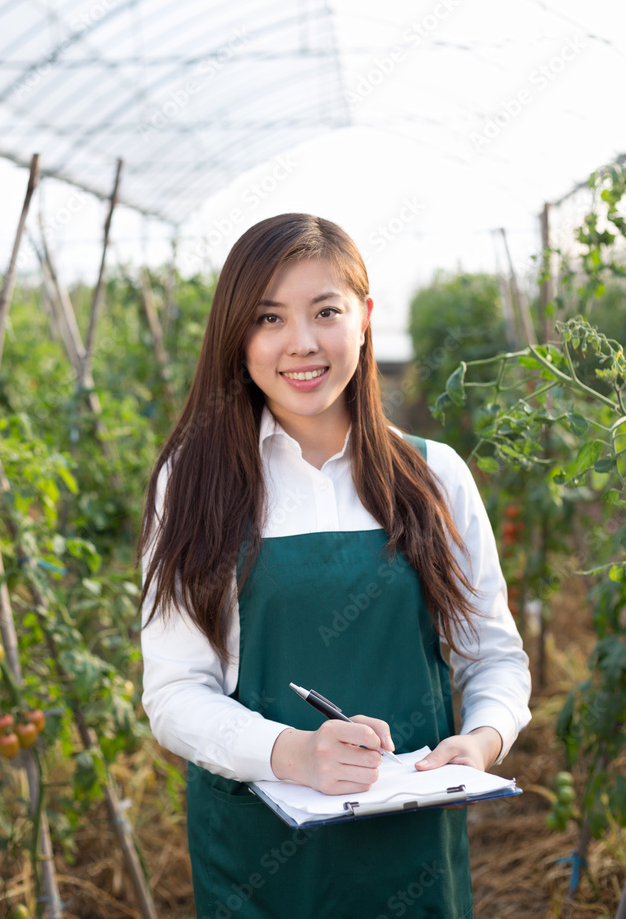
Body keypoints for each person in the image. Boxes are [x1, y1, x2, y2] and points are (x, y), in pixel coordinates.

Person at [137, 212, 531, 919]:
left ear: (364, 319)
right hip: (257, 861)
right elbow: (174, 694)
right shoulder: (193, 482)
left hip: (409, 848)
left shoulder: (433, 475)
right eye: (268, 318)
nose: (301, 344)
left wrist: (480, 739)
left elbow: (494, 657)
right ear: (237, 335)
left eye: (325, 312)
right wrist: (289, 751)